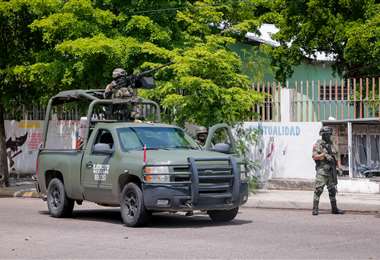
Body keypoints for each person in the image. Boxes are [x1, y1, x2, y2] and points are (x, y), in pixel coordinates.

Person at [312, 126, 344, 215]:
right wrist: (324, 155)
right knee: (318, 190)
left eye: (330, 134)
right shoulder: (318, 144)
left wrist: (338, 167)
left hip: (331, 172)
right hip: (322, 171)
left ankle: (334, 209)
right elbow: (314, 156)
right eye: (328, 134)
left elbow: (335, 157)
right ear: (323, 135)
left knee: (332, 191)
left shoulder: (331, 144)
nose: (329, 136)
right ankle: (315, 209)